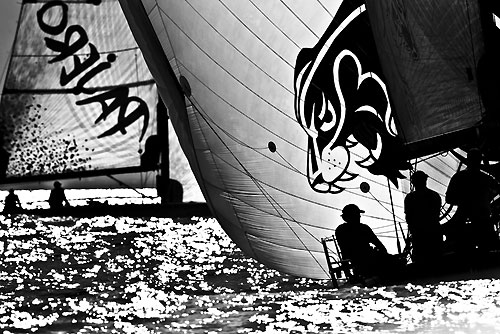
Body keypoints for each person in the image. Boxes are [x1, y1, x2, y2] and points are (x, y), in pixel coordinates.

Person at [445, 148, 500, 251]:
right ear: (480, 161)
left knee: (464, 253)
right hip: (483, 221)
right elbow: (497, 191)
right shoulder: (487, 179)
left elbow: (449, 199)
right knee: (489, 253)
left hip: (464, 220)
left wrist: (463, 201)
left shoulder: (458, 177)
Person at [335, 204, 395, 278]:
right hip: (370, 261)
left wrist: (348, 273)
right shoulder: (363, 228)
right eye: (357, 214)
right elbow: (379, 245)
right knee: (394, 261)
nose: (359, 216)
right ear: (352, 216)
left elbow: (344, 252)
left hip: (356, 264)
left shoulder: (340, 230)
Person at [404, 171, 443, 264]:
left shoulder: (410, 198)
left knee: (420, 264)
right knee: (437, 262)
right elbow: (436, 215)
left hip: (419, 236)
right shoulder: (435, 196)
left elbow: (408, 219)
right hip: (434, 234)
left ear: (413, 182)